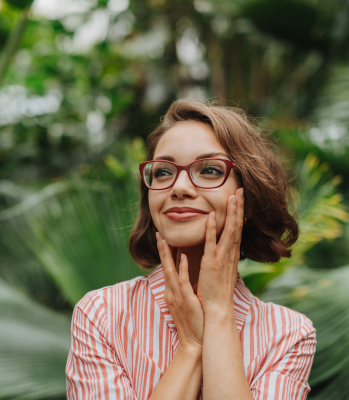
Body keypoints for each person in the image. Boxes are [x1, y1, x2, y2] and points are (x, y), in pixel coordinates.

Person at [65, 99, 316, 400]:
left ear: (248, 198)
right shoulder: (102, 314)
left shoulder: (287, 334)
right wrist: (191, 347)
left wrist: (219, 313)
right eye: (162, 172)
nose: (179, 187)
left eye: (209, 169)